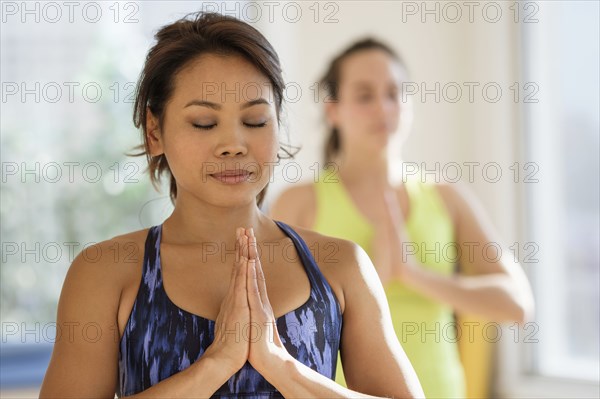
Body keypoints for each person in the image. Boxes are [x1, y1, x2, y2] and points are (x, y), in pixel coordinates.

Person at [38, 13, 425, 398]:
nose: (234, 144)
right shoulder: (104, 273)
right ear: (154, 132)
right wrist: (215, 364)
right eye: (205, 123)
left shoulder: (340, 265)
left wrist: (282, 366)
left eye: (255, 121)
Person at [269, 38, 535, 398]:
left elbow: (517, 304)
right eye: (365, 95)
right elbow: (273, 324)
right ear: (333, 109)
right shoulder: (299, 202)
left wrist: (414, 275)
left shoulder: (446, 198)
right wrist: (370, 279)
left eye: (394, 93)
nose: (383, 106)